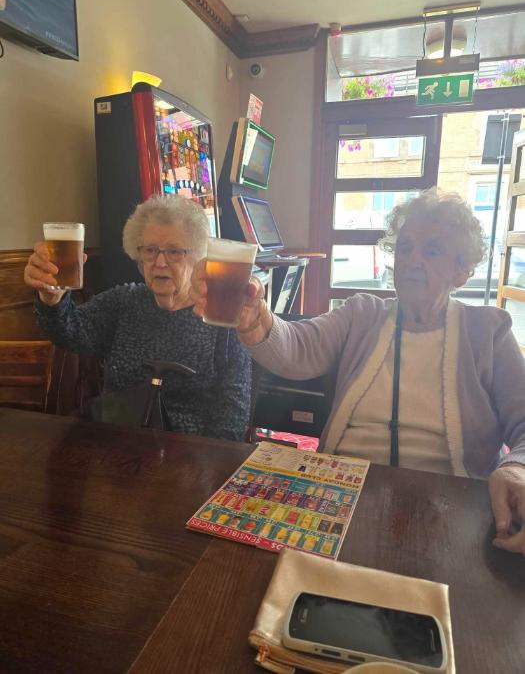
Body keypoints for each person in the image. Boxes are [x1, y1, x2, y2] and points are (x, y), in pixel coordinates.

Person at [191, 188, 525, 555]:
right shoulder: (362, 313)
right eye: (404, 248)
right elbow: (300, 347)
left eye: (432, 251)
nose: (412, 260)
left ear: (462, 271)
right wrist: (259, 321)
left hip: (449, 508)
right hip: (339, 496)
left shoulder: (488, 331)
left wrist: (516, 467)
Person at [24, 194, 251, 442]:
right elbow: (68, 332)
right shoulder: (124, 301)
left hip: (191, 454)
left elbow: (233, 418)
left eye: (174, 251)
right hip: (117, 446)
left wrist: (201, 460)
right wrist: (52, 298)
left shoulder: (221, 315)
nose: (160, 262)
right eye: (150, 250)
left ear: (197, 258)